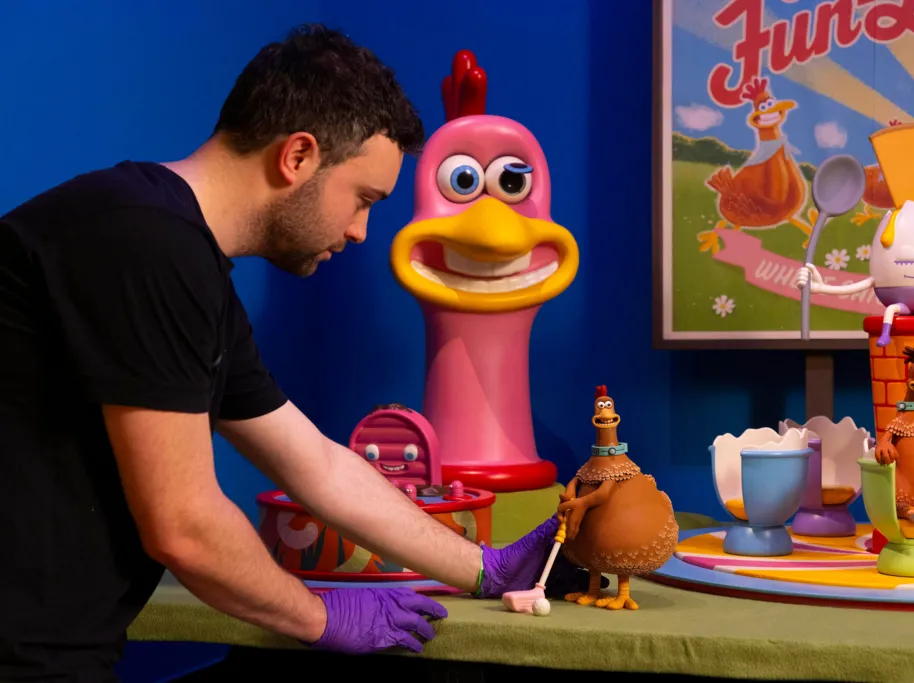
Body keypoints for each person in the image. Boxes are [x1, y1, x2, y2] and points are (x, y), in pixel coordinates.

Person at [0, 24, 591, 682]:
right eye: (364, 199)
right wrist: (319, 615)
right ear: (299, 156)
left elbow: (315, 465)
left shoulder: (180, 258)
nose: (362, 230)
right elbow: (183, 526)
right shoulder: (145, 246)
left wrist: (484, 567)